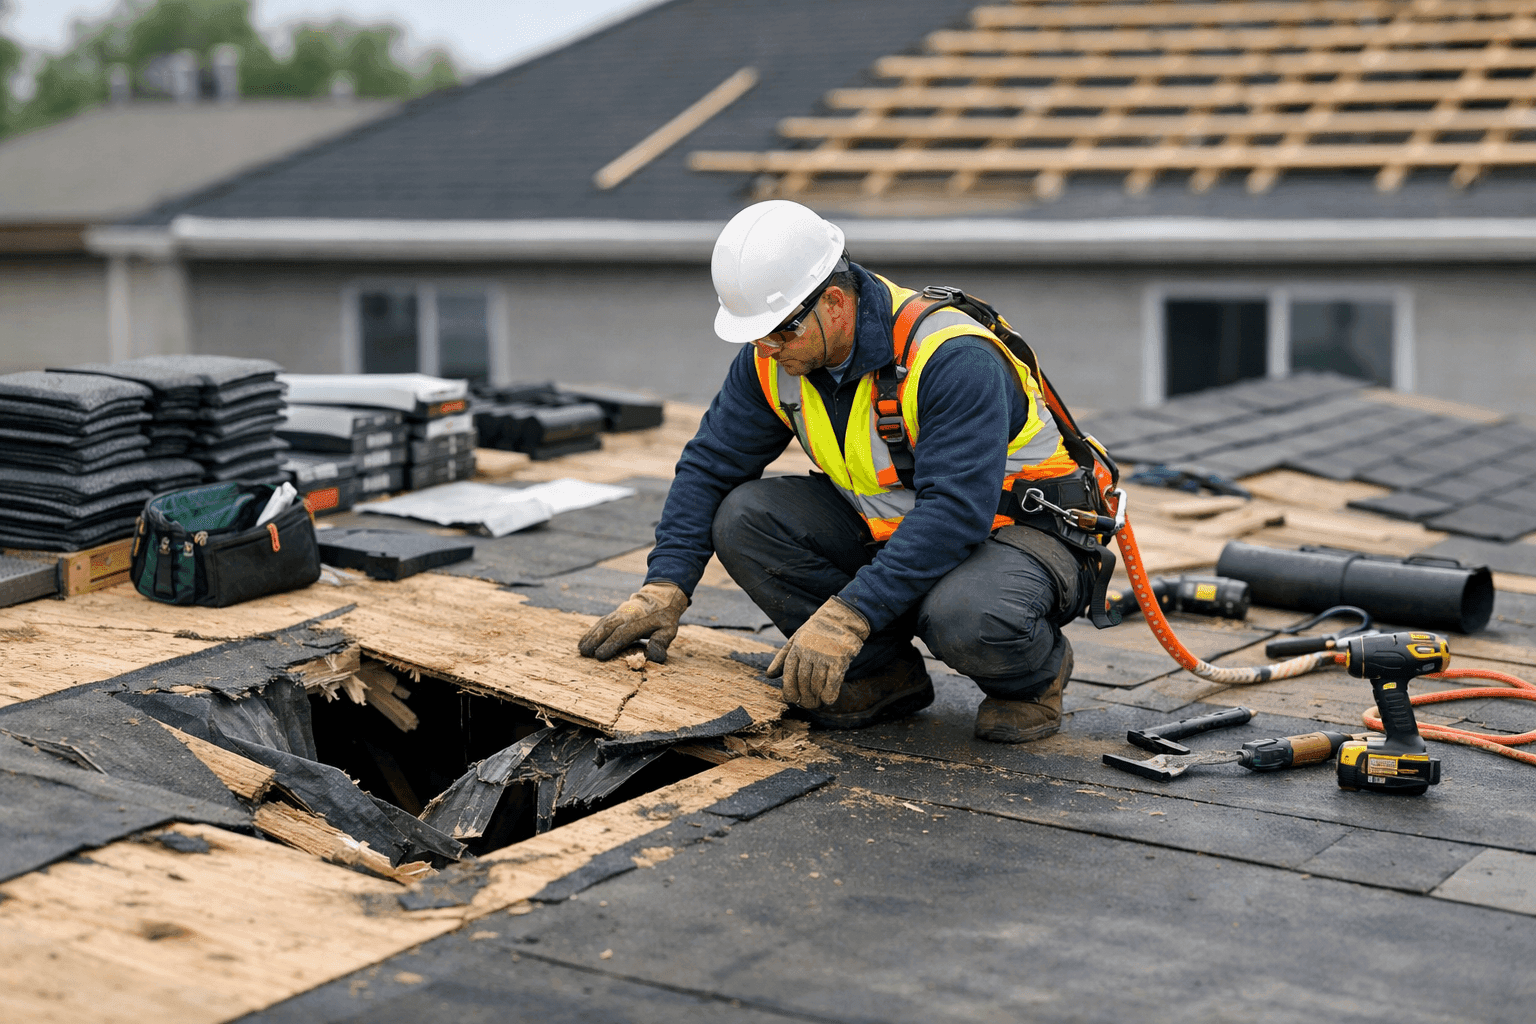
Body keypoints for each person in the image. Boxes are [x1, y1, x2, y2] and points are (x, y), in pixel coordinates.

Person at [578, 200, 1108, 743]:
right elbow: (710, 466)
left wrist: (848, 615)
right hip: (900, 533)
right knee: (745, 517)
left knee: (968, 616)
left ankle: (1031, 681)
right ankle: (879, 675)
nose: (768, 348)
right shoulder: (773, 359)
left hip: (1016, 538)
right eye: (756, 335)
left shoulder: (950, 357)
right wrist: (666, 584)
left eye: (780, 332)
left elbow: (955, 514)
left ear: (835, 302)